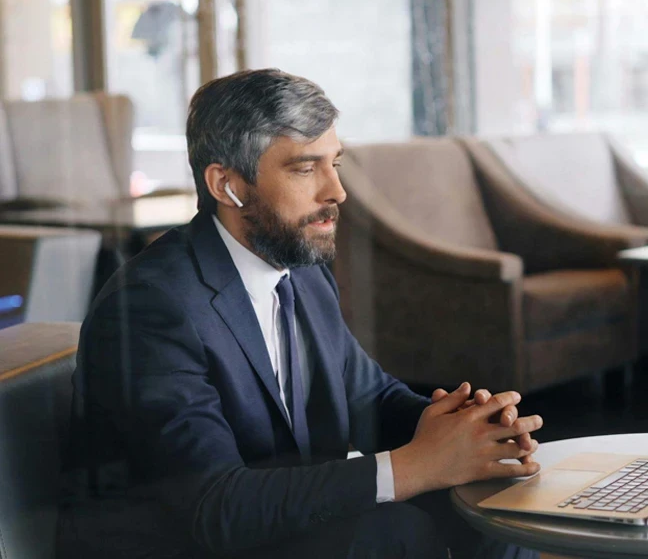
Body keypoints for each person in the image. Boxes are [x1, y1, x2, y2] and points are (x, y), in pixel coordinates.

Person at [58, 69, 543, 558]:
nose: (337, 191)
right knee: (391, 532)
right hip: (188, 544)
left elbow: (367, 395)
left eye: (334, 163)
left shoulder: (300, 271)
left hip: (272, 529)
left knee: (490, 512)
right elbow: (213, 507)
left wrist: (467, 433)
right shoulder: (151, 307)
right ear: (226, 184)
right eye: (305, 169)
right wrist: (417, 466)